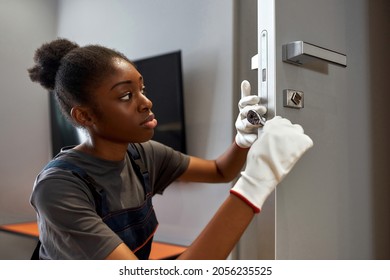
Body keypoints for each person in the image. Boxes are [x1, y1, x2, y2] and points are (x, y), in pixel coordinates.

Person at [28, 38, 313, 260]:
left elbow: (220, 170)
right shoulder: (58, 187)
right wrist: (256, 182)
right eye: (126, 95)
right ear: (85, 116)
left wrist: (242, 140)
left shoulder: (143, 155)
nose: (146, 102)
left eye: (142, 88)